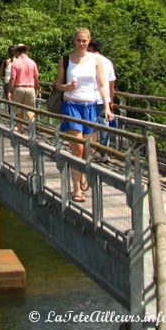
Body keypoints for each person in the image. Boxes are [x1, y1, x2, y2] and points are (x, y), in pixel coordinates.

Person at [54, 28, 113, 202]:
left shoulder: (96, 60)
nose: (81, 44)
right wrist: (66, 87)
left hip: (91, 106)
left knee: (90, 149)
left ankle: (83, 175)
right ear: (74, 40)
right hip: (72, 105)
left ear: (89, 41)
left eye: (84, 41)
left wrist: (107, 107)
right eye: (79, 40)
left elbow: (102, 85)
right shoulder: (66, 60)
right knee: (77, 148)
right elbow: (57, 84)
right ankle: (76, 189)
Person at [87, 39, 117, 162]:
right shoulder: (108, 62)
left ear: (90, 47)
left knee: (90, 125)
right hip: (103, 99)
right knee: (104, 125)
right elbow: (111, 84)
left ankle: (91, 151)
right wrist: (111, 101)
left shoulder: (87, 60)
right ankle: (104, 153)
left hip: (89, 98)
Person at [7, 43, 40, 134]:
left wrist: (10, 91)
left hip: (18, 88)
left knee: (18, 110)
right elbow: (36, 77)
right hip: (30, 88)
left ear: (17, 52)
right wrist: (36, 88)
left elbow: (13, 78)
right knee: (30, 110)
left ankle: (20, 130)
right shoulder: (32, 62)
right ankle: (32, 129)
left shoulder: (16, 62)